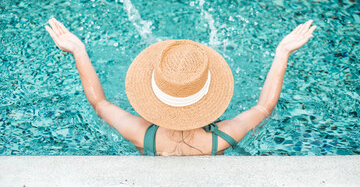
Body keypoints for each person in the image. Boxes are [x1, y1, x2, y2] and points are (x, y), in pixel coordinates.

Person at [45, 18, 317, 156]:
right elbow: (264, 106)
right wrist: (282, 52)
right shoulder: (221, 138)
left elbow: (100, 104)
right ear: (208, 97)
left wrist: (79, 52)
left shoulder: (144, 136)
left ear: (154, 95)